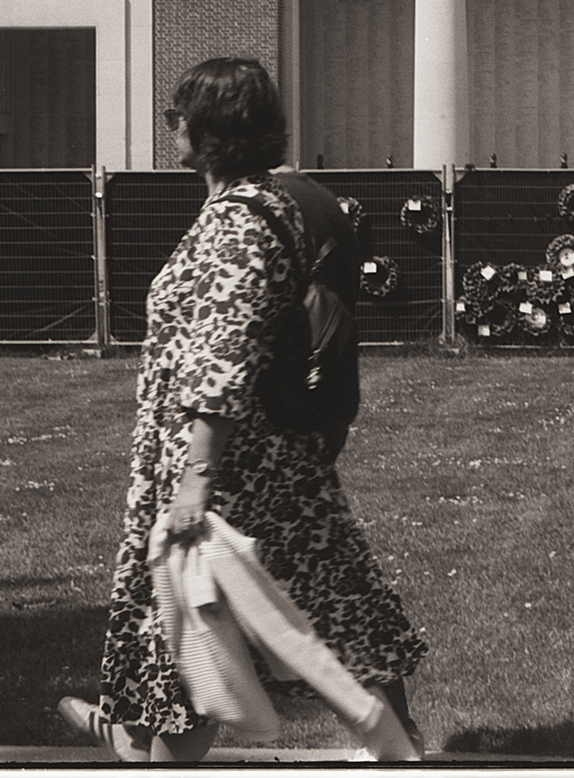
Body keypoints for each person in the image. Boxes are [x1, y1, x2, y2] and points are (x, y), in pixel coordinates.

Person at [60, 56, 426, 762]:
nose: (172, 125)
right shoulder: (255, 208)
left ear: (212, 128)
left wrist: (197, 476)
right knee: (303, 613)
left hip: (236, 473)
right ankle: (143, 740)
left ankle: (143, 746)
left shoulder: (238, 221)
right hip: (262, 467)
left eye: (180, 114)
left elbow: (224, 349)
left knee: (209, 625)